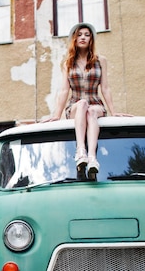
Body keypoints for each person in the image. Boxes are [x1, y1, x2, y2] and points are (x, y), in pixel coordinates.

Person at [46, 22, 130, 178]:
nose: (83, 37)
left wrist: (114, 112)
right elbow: (64, 90)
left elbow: (105, 87)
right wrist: (57, 115)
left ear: (91, 39)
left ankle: (92, 158)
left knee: (91, 110)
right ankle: (81, 151)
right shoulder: (67, 63)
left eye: (87, 35)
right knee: (83, 104)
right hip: (75, 107)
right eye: (79, 35)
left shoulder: (101, 61)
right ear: (74, 39)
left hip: (96, 105)